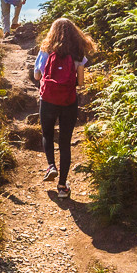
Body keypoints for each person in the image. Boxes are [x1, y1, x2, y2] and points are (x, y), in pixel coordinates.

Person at [33, 17, 97, 198]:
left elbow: (37, 76)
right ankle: (62, 186)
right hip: (68, 101)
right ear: (75, 34)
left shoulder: (45, 51)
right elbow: (81, 82)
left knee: (47, 134)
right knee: (65, 143)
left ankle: (51, 166)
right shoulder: (78, 54)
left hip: (47, 100)